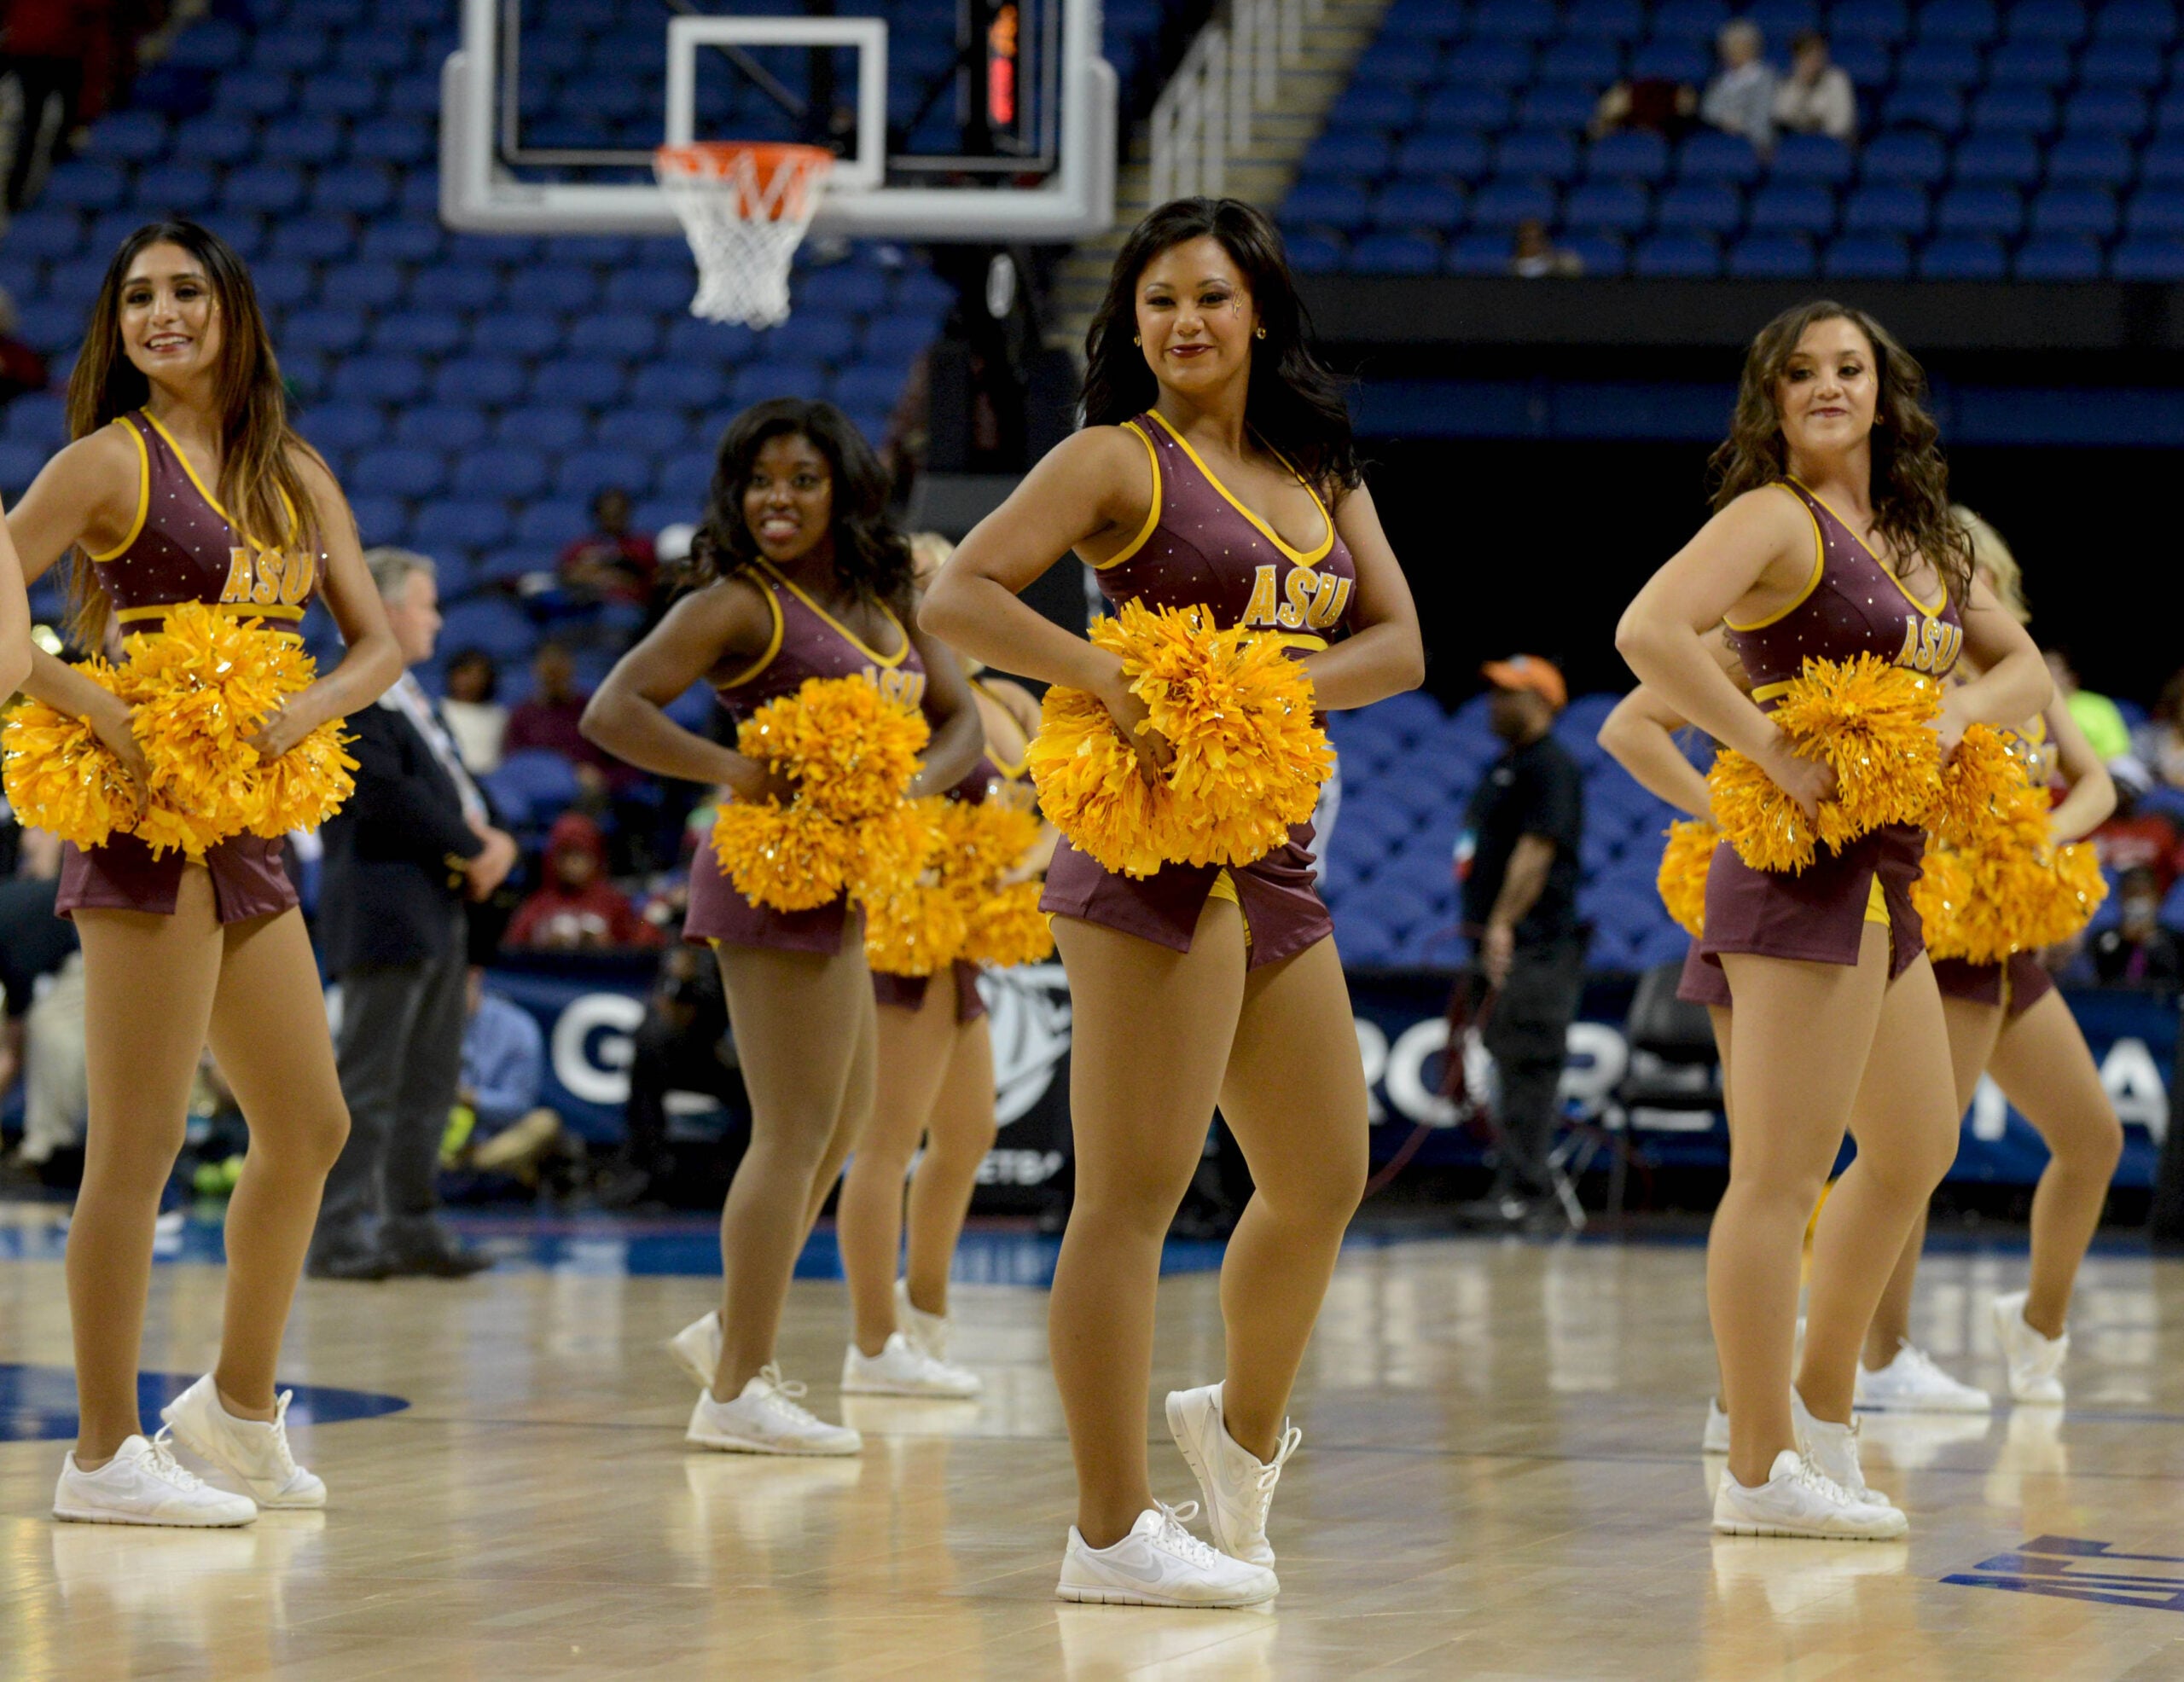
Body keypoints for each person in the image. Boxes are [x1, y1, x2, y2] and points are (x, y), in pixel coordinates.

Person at [922, 196, 1425, 1608]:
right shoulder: (1109, 461)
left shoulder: (1321, 468)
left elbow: (1399, 641)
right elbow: (963, 595)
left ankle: (1239, 1429)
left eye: (1208, 295)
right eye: (1156, 302)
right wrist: (1100, 676)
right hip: (1145, 854)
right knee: (1132, 1194)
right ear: (1131, 326)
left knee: (1324, 1172)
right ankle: (1108, 1528)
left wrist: (1266, 683)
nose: (1183, 321)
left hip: (1269, 848)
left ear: (1260, 309)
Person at [1615, 299, 2048, 1540]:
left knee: (1914, 1150)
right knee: (1778, 1176)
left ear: (1883, 391)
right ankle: (1759, 1470)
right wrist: (1763, 745)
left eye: (1848, 369)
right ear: (1772, 399)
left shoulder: (1916, 537)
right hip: (1793, 872)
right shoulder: (1769, 519)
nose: (1826, 387)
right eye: (1800, 372)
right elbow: (1645, 633)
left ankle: (1818, 1408)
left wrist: (1959, 714)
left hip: (1887, 878)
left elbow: (2018, 665)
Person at [9, 219, 403, 1525]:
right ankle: (104, 1455)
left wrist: (300, 716)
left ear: (234, 308)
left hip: (244, 820)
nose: (160, 314)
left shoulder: (292, 471)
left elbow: (378, 643)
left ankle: (235, 1414)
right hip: (137, 822)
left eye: (185, 291)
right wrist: (94, 703)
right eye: (136, 297)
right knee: (140, 1144)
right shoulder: (105, 461)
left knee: (310, 1125)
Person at [581, 397, 982, 1458]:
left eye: (803, 478)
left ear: (845, 487)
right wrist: (733, 771)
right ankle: (737, 1387)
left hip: (851, 871)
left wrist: (904, 792)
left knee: (843, 1124)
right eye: (761, 480)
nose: (778, 498)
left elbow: (962, 720)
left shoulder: (889, 592)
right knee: (795, 1129)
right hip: (769, 872)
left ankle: (734, 1325)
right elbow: (613, 708)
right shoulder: (734, 605)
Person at [1856, 510, 2123, 1411]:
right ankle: (1878, 1356)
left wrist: (2041, 837)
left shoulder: (2020, 681)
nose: (1986, 602)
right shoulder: (1914, 675)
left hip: (2006, 938)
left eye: (1990, 585)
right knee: (1914, 1153)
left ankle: (2038, 1325)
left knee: (2092, 1140)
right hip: (1937, 937)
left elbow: (2096, 784)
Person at [829, 533, 1057, 1401]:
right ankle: (873, 1344)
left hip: (964, 930)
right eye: (933, 575)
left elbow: (1051, 807)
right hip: (905, 927)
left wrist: (1024, 858)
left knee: (967, 1136)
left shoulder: (1001, 695)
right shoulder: (895, 689)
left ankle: (922, 1321)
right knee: (884, 1143)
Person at [310, 548, 519, 1282]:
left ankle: (410, 1224)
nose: (436, 618)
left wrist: (486, 841)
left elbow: (447, 789)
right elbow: (384, 797)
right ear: (388, 609)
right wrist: (475, 843)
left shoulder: (410, 696)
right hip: (384, 909)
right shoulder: (351, 691)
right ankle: (335, 1232)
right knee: (369, 1082)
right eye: (426, 604)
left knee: (429, 1083)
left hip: (435, 906)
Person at [1453, 655, 1587, 1232]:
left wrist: (1503, 923)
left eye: (1508, 694)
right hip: (1498, 943)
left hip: (1535, 947)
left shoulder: (1550, 768)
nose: (1494, 704)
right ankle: (1512, 1184)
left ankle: (1529, 1193)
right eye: (1492, 693)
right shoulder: (1505, 765)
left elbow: (1538, 851)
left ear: (1542, 703)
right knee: (1507, 1065)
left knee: (1529, 1068)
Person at [0, 825, 83, 1180]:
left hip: (89, 958)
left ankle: (47, 1148)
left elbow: (10, 1053)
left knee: (50, 1027)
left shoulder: (18, 924)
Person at [445, 968, 572, 1192]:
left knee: (544, 1123)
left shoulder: (517, 1027)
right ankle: (473, 1175)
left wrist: (467, 1097)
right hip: (440, 1139)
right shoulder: (424, 1024)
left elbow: (519, 1105)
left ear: (474, 977)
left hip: (495, 1140)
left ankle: (471, 1172)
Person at [502, 810, 663, 951]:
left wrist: (606, 946)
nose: (573, 864)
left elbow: (638, 948)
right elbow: (511, 951)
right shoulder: (536, 905)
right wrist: (542, 944)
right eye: (565, 855)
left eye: (581, 855)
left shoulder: (615, 904)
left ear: (596, 857)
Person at [3, 0, 91, 212]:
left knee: (35, 127)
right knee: (33, 127)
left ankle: (26, 195)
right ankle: (20, 197)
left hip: (52, 50)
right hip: (48, 51)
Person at [2087, 866, 2184, 988]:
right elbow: (2103, 975)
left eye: (2143, 892)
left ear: (2158, 898)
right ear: (2120, 898)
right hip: (2115, 1003)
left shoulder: (2177, 940)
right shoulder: (2102, 938)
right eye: (2130, 893)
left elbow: (2174, 975)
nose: (2136, 899)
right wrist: (2124, 941)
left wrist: (2150, 940)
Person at [557, 486, 656, 605]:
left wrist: (604, 566)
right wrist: (598, 577)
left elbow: (642, 578)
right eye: (608, 513)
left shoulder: (643, 545)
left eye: (619, 513)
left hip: (628, 607)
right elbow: (567, 575)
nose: (613, 518)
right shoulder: (580, 547)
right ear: (597, 515)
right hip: (587, 604)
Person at [2045, 647, 2132, 763]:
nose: (2045, 677)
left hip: (2101, 768)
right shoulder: (2032, 706)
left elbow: (2117, 753)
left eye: (2052, 672)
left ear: (2070, 677)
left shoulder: (2099, 705)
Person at [1701, 19, 1777, 151]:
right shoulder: (1721, 80)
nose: (1729, 51)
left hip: (1754, 145)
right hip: (1721, 140)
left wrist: (1738, 123)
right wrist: (1726, 121)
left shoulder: (1766, 77)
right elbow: (1709, 111)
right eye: (1727, 46)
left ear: (1751, 47)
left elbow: (1762, 118)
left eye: (1735, 45)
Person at [1774, 32, 1856, 143]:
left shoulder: (1837, 79)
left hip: (1830, 144)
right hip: (1796, 142)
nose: (1813, 61)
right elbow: (1781, 114)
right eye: (1807, 56)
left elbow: (1842, 124)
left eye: (1818, 55)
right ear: (1797, 59)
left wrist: (1811, 125)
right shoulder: (1789, 82)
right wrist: (1802, 85)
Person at [439, 646, 507, 774]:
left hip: (492, 782)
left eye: (479, 674)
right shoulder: (436, 711)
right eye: (466, 672)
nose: (472, 681)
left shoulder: (500, 716)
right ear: (452, 675)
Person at [1510, 220, 1583, 279]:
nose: (1532, 243)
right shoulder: (1511, 270)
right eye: (1527, 238)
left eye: (1537, 238)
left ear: (1545, 240)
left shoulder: (1564, 263)